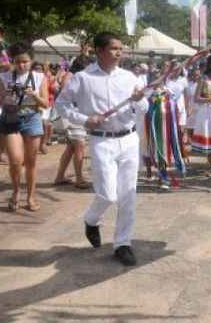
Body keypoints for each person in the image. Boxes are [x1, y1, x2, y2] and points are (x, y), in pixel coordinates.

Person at [55, 32, 147, 266]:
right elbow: (61, 104)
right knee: (107, 193)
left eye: (121, 48)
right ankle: (91, 219)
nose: (119, 52)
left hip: (128, 139)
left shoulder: (129, 77)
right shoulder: (82, 78)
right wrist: (85, 119)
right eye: (114, 48)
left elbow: (144, 107)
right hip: (101, 140)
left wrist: (138, 98)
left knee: (128, 194)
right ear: (99, 51)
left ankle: (123, 243)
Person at [0, 43, 48, 212]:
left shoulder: (40, 78)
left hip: (32, 118)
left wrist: (34, 95)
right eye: (18, 62)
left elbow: (45, 104)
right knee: (16, 160)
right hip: (11, 119)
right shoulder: (4, 77)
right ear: (13, 61)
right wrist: (4, 94)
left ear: (31, 61)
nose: (22, 65)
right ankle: (16, 192)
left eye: (25, 61)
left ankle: (31, 196)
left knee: (31, 162)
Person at [53, 57, 90, 189]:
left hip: (75, 115)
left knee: (71, 148)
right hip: (73, 116)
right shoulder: (72, 76)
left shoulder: (73, 75)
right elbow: (67, 96)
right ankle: (79, 179)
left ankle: (60, 176)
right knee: (80, 145)